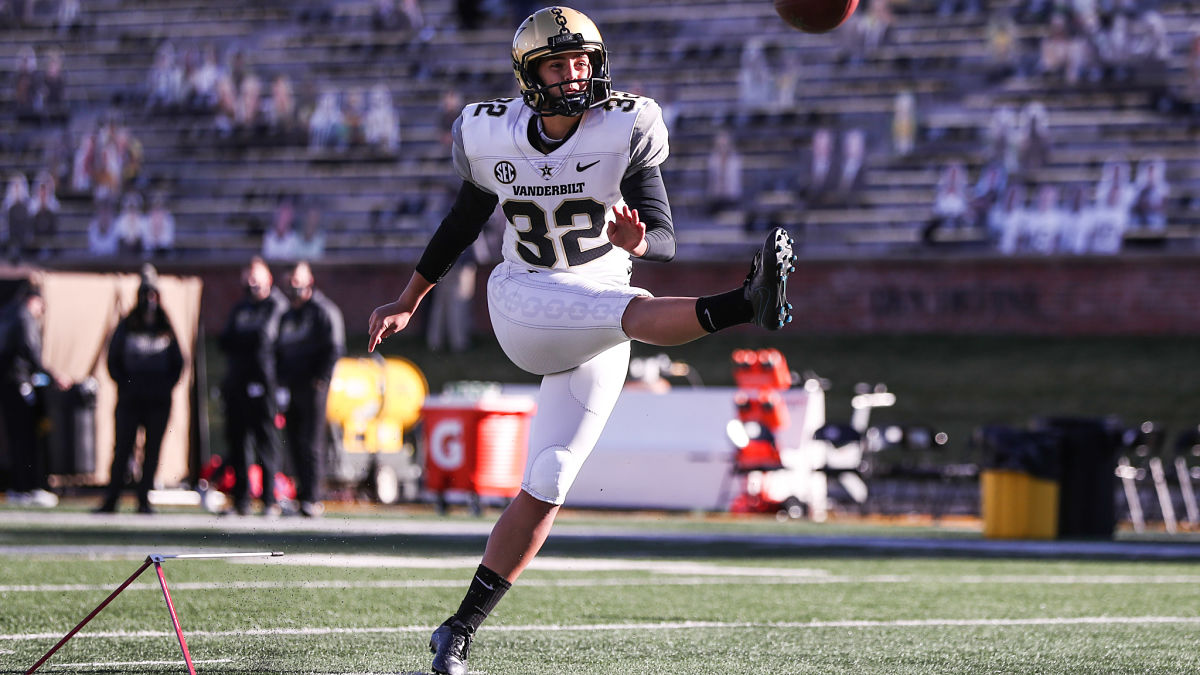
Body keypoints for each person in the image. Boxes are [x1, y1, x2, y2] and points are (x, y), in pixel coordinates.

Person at [365, 8, 795, 674]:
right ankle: (745, 303)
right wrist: (408, 299)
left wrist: (639, 241)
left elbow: (666, 238)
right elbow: (462, 223)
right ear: (529, 75)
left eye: (582, 62)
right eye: (558, 64)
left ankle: (457, 630)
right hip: (525, 305)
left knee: (551, 477)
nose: (574, 75)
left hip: (598, 316)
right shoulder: (492, 136)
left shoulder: (623, 128)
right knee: (629, 310)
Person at [95, 265, 183, 514]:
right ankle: (112, 499)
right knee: (122, 448)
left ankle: (143, 500)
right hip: (131, 400)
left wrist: (162, 387)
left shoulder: (165, 325)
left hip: (157, 402)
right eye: (146, 294)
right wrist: (127, 385)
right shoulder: (127, 324)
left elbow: (178, 363)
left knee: (152, 451)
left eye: (153, 295)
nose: (149, 300)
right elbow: (113, 359)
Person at [218, 257, 287, 516]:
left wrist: (243, 339)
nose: (251, 282)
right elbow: (225, 340)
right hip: (238, 383)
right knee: (239, 443)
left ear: (268, 278)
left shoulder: (276, 305)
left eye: (256, 276)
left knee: (266, 442)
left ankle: (270, 500)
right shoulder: (241, 307)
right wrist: (246, 340)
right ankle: (241, 501)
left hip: (265, 383)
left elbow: (264, 337)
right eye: (247, 277)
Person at [275, 261, 344, 518]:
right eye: (290, 281)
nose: (293, 287)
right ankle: (302, 494)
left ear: (309, 280)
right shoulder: (289, 314)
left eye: (297, 280)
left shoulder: (323, 311)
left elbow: (335, 347)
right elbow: (280, 350)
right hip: (291, 385)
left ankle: (313, 497)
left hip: (313, 385)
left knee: (311, 441)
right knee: (293, 441)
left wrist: (321, 379)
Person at [0, 282, 69, 507]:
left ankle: (20, 486)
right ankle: (27, 487)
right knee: (26, 438)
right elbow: (31, 353)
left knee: (17, 438)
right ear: (33, 300)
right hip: (19, 384)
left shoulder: (9, 315)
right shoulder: (23, 318)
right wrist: (54, 375)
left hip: (10, 385)